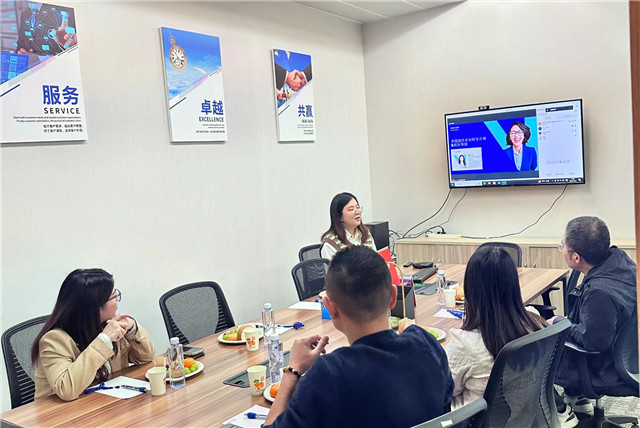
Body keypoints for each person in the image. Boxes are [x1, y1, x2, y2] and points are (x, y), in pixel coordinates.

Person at [264, 246, 453, 427]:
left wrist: (293, 370)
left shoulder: (328, 375)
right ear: (393, 297)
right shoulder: (428, 346)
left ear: (330, 307)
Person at [550, 216, 637, 418]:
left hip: (606, 368)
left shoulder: (600, 293)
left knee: (534, 356)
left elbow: (593, 341)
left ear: (576, 258)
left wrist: (558, 322)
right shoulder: (620, 262)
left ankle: (560, 413)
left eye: (562, 245)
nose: (561, 249)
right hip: (629, 354)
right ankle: (576, 397)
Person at [446, 246, 547, 409]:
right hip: (524, 415)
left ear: (472, 290)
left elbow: (444, 390)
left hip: (471, 419)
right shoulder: (533, 321)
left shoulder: (465, 344)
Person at [31, 268, 155, 401]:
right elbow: (66, 389)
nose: (117, 302)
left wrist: (133, 329)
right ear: (95, 307)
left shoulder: (107, 325)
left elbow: (145, 359)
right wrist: (104, 340)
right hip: (62, 412)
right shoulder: (54, 340)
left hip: (103, 402)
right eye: (113, 296)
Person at [320, 192, 376, 260]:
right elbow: (333, 267)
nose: (358, 212)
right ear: (339, 216)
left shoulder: (365, 233)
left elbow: (376, 260)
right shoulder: (331, 243)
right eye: (351, 209)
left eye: (358, 207)